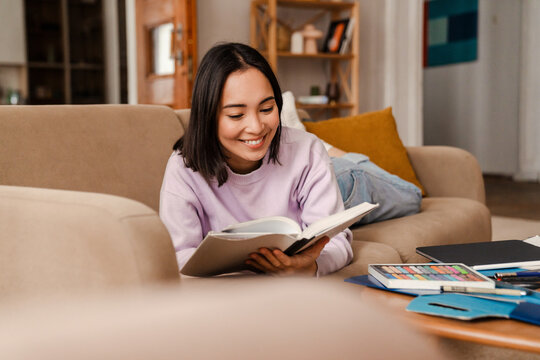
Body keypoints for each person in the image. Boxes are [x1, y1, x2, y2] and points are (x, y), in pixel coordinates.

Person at [160, 42, 351, 277]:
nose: (256, 127)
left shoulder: (308, 151)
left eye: (267, 109)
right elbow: (178, 256)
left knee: (403, 193)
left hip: (351, 180)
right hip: (323, 176)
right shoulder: (183, 167)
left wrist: (310, 267)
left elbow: (337, 240)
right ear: (208, 116)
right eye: (236, 115)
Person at [281, 91, 422, 225]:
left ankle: (345, 157)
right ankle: (346, 157)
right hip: (323, 170)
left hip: (328, 168)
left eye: (266, 108)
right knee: (412, 195)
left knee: (412, 195)